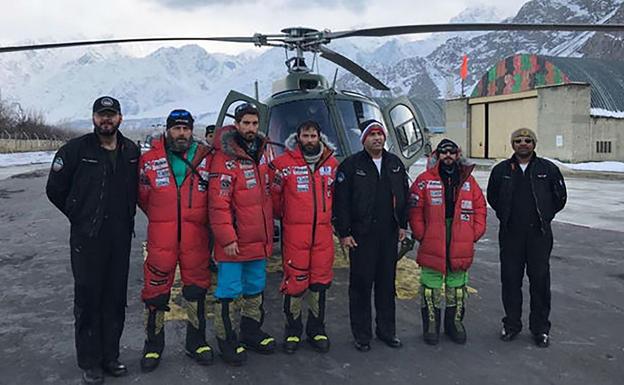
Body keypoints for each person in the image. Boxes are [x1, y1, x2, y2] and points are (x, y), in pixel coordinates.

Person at [46, 96, 139, 384]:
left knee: (114, 298)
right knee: (88, 299)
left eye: (111, 115)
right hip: (87, 239)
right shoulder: (75, 150)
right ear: (94, 118)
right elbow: (55, 190)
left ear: (120, 118)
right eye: (101, 115)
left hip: (119, 238)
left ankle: (111, 356)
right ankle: (90, 362)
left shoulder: (131, 151)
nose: (106, 120)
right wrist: (79, 215)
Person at [138, 109, 214, 372]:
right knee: (156, 293)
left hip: (196, 237)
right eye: (176, 128)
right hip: (162, 237)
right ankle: (153, 346)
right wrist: (165, 216)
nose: (181, 133)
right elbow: (143, 196)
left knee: (196, 289)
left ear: (192, 131)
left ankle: (197, 342)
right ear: (167, 130)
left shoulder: (207, 158)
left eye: (186, 128)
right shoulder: (149, 160)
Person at [487, 128, 567, 348]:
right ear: (512, 144)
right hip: (511, 235)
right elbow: (492, 197)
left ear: (534, 144)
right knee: (511, 281)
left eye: (528, 140)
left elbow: (560, 197)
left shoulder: (547, 169)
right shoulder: (501, 170)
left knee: (540, 282)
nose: (523, 144)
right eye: (519, 140)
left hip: (538, 236)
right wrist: (506, 215)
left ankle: (540, 329)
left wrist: (546, 215)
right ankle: (511, 325)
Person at [333, 119, 409, 352]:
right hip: (361, 235)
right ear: (364, 139)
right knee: (361, 285)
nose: (377, 138)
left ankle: (387, 331)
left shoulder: (394, 163)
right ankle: (362, 335)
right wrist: (344, 233)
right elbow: (341, 202)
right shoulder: (350, 165)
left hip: (388, 234)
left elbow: (403, 196)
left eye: (380, 134)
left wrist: (402, 225)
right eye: (371, 134)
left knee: (387, 285)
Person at [208, 103, 275, 365]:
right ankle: (226, 340)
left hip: (259, 238)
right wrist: (227, 238)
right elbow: (218, 202)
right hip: (234, 242)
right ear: (236, 124)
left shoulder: (263, 152)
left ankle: (250, 331)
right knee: (228, 290)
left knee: (254, 288)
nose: (250, 128)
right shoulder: (224, 157)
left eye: (254, 124)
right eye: (245, 123)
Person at [408, 139, 486, 345]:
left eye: (452, 151)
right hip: (434, 234)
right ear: (437, 155)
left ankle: (455, 324)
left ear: (458, 154)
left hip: (460, 234)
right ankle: (431, 325)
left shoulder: (468, 180)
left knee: (458, 284)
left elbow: (480, 208)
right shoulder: (424, 179)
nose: (448, 156)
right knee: (430, 283)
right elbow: (415, 208)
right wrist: (421, 234)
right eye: (444, 152)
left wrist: (473, 234)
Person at [270, 120, 338, 354]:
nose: (309, 140)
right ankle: (293, 330)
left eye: (313, 136)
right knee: (295, 282)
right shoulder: (282, 165)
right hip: (295, 234)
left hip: (322, 233)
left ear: (320, 137)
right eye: (305, 136)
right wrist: (289, 218)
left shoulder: (332, 164)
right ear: (297, 137)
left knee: (319, 282)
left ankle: (317, 329)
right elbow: (275, 201)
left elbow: (337, 197)